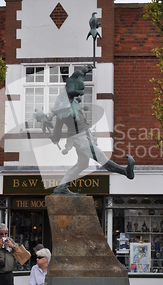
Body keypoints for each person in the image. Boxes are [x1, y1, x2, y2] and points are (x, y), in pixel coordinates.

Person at [50, 66, 135, 194]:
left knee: (82, 164)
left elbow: (74, 79)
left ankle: (61, 188)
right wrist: (55, 137)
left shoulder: (73, 103)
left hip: (84, 135)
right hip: (79, 139)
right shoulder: (63, 111)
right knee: (100, 157)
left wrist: (85, 70)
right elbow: (58, 127)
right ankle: (125, 172)